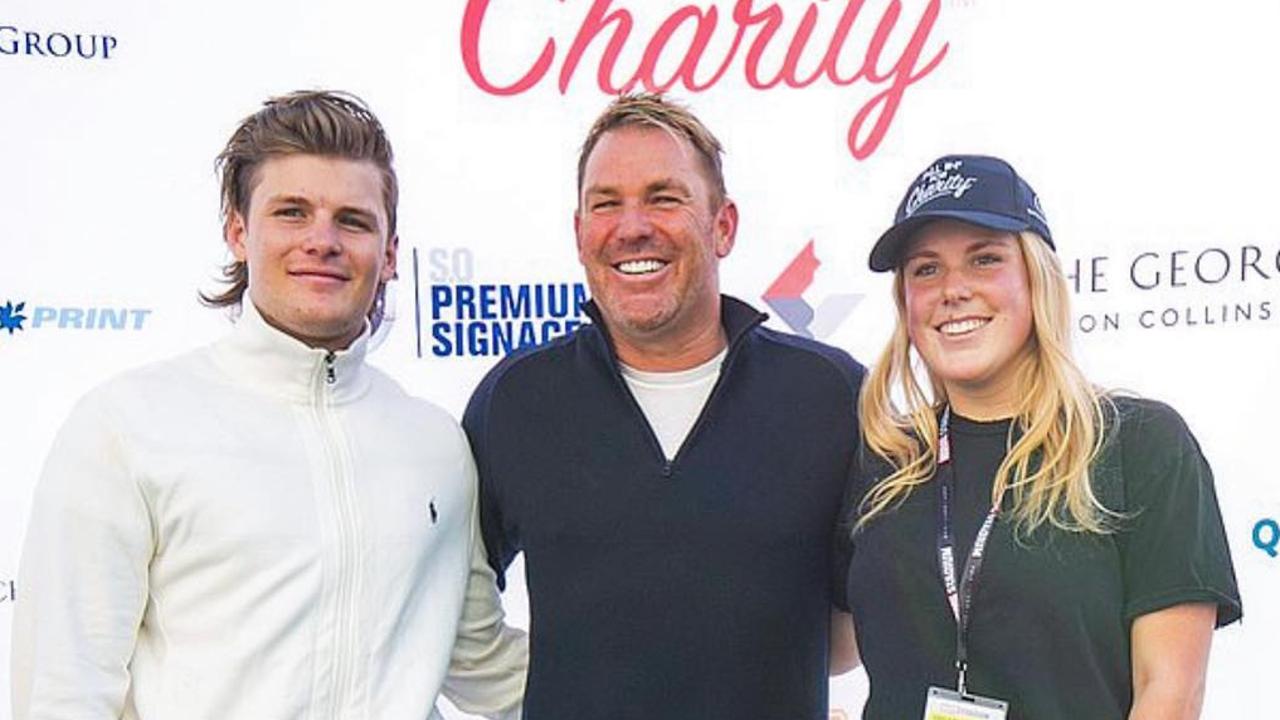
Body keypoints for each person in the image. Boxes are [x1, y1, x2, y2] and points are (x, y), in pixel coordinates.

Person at [11, 90, 526, 720]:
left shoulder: (436, 444)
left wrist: (665, 665)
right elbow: (64, 693)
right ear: (237, 232)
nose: (322, 240)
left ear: (390, 254)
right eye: (291, 212)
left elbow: (482, 664)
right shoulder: (126, 425)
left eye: (353, 220)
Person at [462, 93, 864, 719]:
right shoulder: (515, 399)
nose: (632, 227)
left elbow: (873, 620)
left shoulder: (830, 394)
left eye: (664, 197)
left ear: (723, 225)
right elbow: (448, 595)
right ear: (578, 233)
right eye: (606, 204)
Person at [845, 154, 1242, 719]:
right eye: (925, 269)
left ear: (1038, 278)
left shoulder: (1140, 444)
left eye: (985, 259)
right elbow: (829, 646)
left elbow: (1170, 693)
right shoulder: (883, 461)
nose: (952, 289)